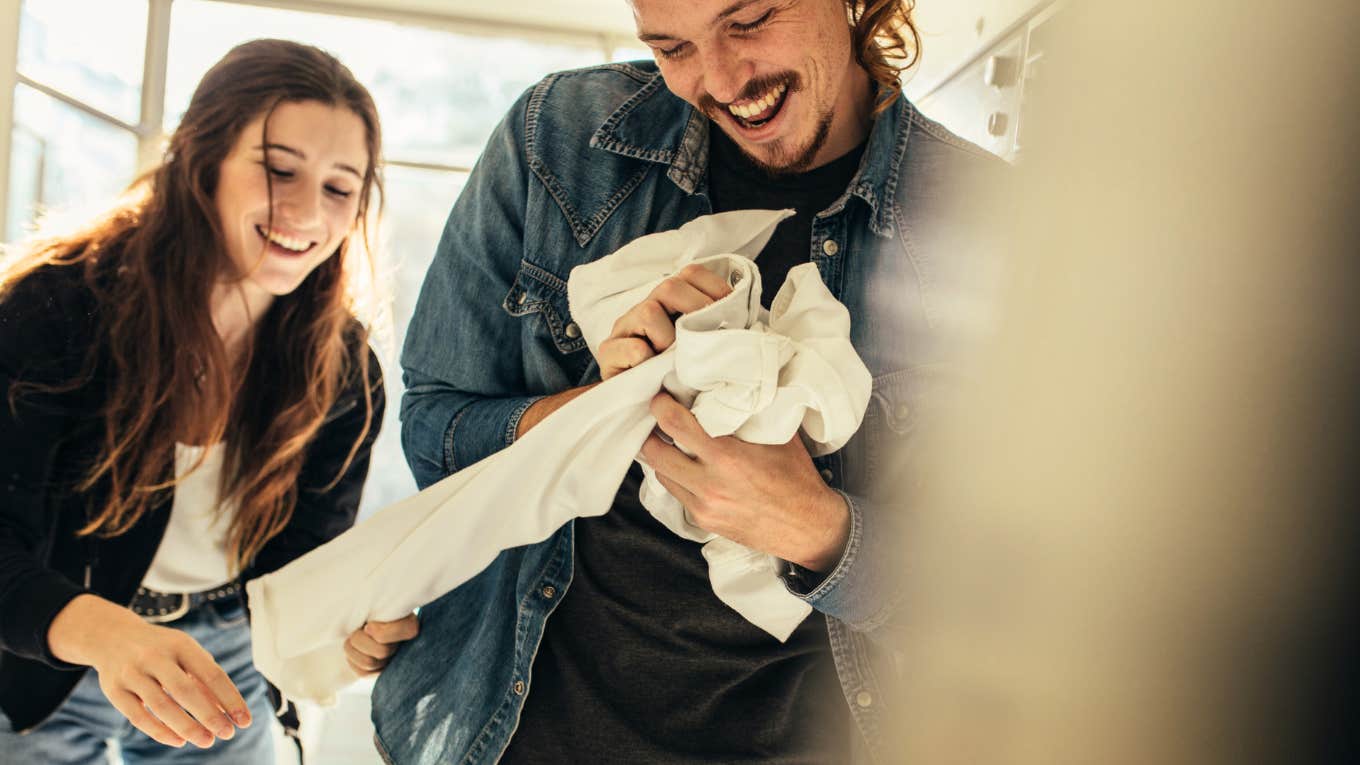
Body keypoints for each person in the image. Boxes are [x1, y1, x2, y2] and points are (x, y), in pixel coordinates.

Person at [377, 1, 1000, 762]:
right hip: (518, 735)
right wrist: (598, 411)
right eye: (672, 46)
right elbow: (436, 427)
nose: (721, 81)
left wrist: (820, 530)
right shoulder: (557, 141)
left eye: (750, 20)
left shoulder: (998, 229)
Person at [0, 39, 417, 763]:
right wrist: (109, 635)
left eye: (340, 187)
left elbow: (304, 567)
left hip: (227, 649)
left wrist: (345, 626)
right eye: (279, 169)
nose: (305, 210)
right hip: (52, 646)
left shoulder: (344, 368)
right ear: (201, 159)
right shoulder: (51, 308)